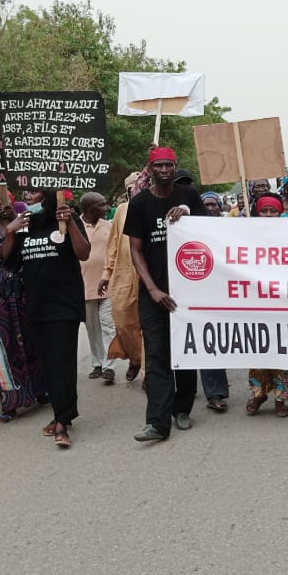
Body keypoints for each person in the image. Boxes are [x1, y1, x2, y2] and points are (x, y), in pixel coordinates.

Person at [126, 148, 208, 442]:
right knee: (158, 355)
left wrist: (187, 213)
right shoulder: (139, 204)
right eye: (158, 165)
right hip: (154, 293)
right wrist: (152, 289)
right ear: (150, 168)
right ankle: (158, 423)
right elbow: (135, 250)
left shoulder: (189, 196)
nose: (164, 170)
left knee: (185, 352)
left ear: (175, 168)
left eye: (169, 165)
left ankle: (182, 408)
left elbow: (211, 231)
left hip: (188, 291)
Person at [7, 190, 90, 448]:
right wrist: (10, 230)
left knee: (62, 362)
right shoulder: (25, 226)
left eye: (35, 193)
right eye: (28, 193)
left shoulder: (66, 219)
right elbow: (9, 262)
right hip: (36, 306)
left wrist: (72, 223)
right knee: (50, 365)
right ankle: (65, 412)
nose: (29, 197)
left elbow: (83, 252)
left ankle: (62, 421)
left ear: (50, 197)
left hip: (64, 305)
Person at [0, 190, 47, 424]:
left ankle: (40, 389)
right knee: (5, 348)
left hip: (28, 292)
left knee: (35, 342)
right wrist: (7, 237)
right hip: (0, 298)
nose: (1, 204)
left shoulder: (29, 224)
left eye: (5, 198)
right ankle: (10, 402)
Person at [246, 194, 288, 416]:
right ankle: (259, 395)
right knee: (258, 352)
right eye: (264, 211)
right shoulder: (244, 237)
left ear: (281, 213)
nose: (268, 215)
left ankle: (281, 399)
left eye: (273, 211)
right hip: (257, 303)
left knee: (285, 353)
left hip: (285, 303)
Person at [98, 172, 145, 384]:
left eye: (140, 187)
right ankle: (135, 358)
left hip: (149, 276)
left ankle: (147, 372)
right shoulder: (122, 211)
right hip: (125, 274)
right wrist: (107, 273)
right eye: (131, 189)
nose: (135, 192)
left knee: (148, 326)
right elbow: (114, 243)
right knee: (124, 322)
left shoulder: (154, 206)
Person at [77, 191, 117, 383]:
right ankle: (97, 364)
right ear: (88, 208)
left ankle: (110, 366)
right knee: (92, 328)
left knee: (109, 326)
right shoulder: (74, 226)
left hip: (107, 283)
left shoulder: (108, 226)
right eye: (101, 205)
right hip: (84, 286)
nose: (105, 208)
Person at [199, 191, 230, 412]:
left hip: (228, 293)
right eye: (206, 205)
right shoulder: (191, 229)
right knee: (207, 343)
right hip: (202, 293)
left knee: (223, 342)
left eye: (214, 204)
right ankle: (214, 393)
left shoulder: (229, 229)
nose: (210, 208)